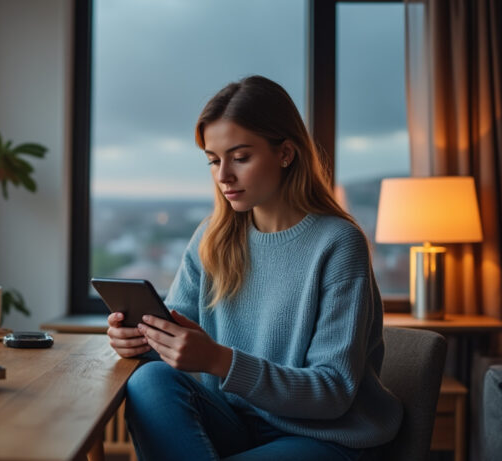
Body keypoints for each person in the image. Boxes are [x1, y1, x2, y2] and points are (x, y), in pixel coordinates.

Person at [106, 75, 403, 461]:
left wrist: (217, 359)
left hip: (324, 437)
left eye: (240, 157)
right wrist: (140, 341)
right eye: (214, 160)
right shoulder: (211, 238)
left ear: (285, 153)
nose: (223, 176)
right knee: (149, 380)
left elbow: (332, 392)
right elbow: (175, 340)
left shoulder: (338, 244)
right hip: (237, 424)